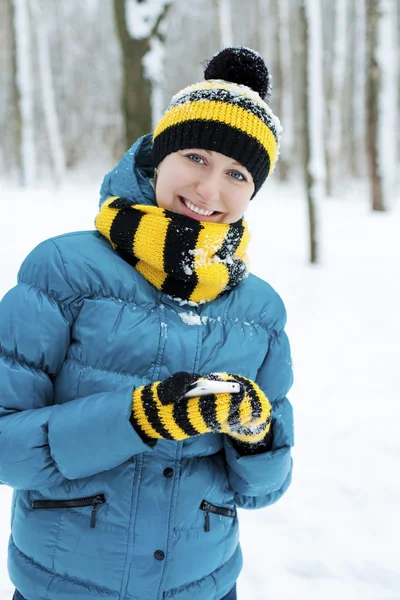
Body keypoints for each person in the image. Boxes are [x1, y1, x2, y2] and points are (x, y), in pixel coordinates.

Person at [0, 46, 294, 600]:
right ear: (159, 156)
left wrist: (255, 438)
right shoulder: (63, 271)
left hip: (202, 587)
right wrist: (140, 417)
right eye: (196, 158)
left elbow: (263, 490)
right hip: (65, 587)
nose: (210, 191)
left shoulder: (260, 311)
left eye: (237, 173)